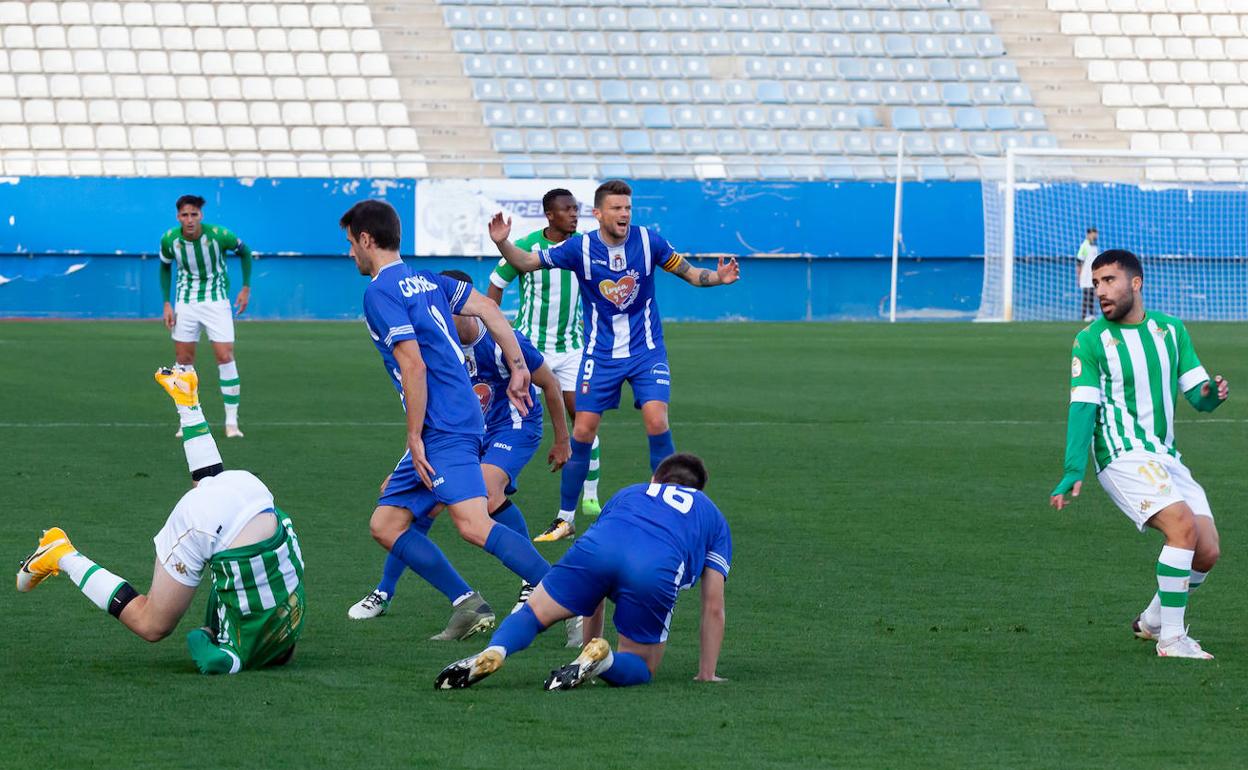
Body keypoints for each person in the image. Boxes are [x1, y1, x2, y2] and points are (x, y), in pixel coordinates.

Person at [342, 200, 554, 641]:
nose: (350, 254)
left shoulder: (379, 292)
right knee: (386, 524)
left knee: (474, 524)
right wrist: (517, 366)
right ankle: (467, 604)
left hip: (444, 425)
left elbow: (413, 365)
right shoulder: (427, 280)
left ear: (366, 240)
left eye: (350, 244)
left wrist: (414, 436)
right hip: (456, 418)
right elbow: (494, 312)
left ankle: (568, 596)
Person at [489, 179, 741, 543]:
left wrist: (717, 277)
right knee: (583, 431)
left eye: (628, 208)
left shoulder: (648, 241)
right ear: (599, 213)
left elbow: (689, 273)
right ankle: (565, 518)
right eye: (617, 208)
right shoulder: (579, 248)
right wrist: (502, 242)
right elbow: (526, 261)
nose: (624, 214)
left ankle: (666, 509)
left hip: (646, 351)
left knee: (656, 420)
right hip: (600, 354)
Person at [16, 367, 304, 674]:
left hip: (252, 494)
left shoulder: (291, 621)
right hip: (206, 522)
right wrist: (210, 637)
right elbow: (201, 648)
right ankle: (60, 553)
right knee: (152, 624)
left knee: (212, 493)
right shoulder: (241, 651)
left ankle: (188, 403)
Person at [1050, 249, 1229, 660]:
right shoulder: (1091, 341)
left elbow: (1198, 396)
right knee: (1181, 527)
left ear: (1136, 282)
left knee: (1207, 550)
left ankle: (1150, 622)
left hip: (1164, 454)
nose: (1100, 291)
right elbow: (1083, 407)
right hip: (1120, 453)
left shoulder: (1170, 330)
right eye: (1096, 283)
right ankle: (1171, 639)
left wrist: (1214, 394)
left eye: (1109, 280)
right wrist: (1072, 469)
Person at [436, 452, 730, 691]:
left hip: (596, 549)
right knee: (641, 665)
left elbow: (596, 590)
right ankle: (605, 663)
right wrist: (707, 673)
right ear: (698, 490)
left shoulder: (632, 492)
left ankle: (498, 649)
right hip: (653, 567)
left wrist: (589, 640)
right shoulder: (711, 513)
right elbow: (713, 605)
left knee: (532, 613)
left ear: (655, 479)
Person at [488, 189, 605, 541]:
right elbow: (495, 285)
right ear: (550, 216)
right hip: (529, 346)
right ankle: (501, 478)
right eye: (567, 210)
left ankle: (590, 495)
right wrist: (497, 330)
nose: (574, 215)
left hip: (571, 348)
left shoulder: (585, 245)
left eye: (576, 209)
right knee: (514, 414)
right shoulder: (525, 245)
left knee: (580, 418)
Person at [159, 195, 252, 438]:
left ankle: (232, 422)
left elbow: (246, 252)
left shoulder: (219, 235)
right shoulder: (170, 239)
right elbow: (164, 266)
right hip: (185, 303)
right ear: (178, 217)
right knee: (183, 359)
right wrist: (167, 303)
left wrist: (245, 287)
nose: (189, 220)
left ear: (201, 216)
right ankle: (188, 420)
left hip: (216, 301)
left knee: (225, 356)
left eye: (194, 215)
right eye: (184, 215)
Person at [1076, 227, 1098, 322]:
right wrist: (1079, 276)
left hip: (1092, 275)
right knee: (1086, 295)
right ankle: (1084, 316)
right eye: (1094, 233)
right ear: (1089, 234)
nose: (1096, 235)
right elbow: (1079, 261)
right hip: (1085, 276)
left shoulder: (1095, 246)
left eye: (1096, 233)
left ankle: (1092, 315)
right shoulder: (1084, 246)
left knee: (1092, 295)